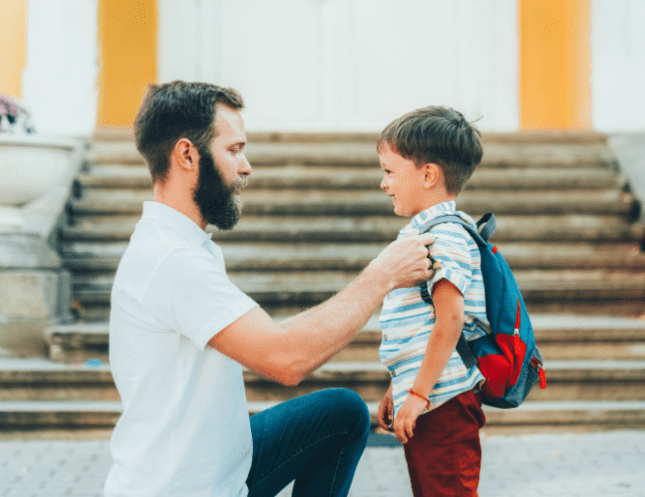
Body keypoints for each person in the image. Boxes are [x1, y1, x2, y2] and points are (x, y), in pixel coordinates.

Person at [103, 80, 436, 497]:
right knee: (340, 408)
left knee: (342, 413)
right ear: (187, 154)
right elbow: (286, 359)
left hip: (222, 465)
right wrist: (382, 275)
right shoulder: (172, 261)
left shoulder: (184, 245)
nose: (246, 167)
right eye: (233, 150)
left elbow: (274, 340)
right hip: (185, 488)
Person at [374, 106, 488, 497]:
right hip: (429, 399)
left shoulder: (446, 238)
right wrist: (400, 388)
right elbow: (421, 328)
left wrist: (418, 394)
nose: (384, 183)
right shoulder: (424, 234)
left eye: (390, 171)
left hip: (444, 403)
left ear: (428, 175)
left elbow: (449, 321)